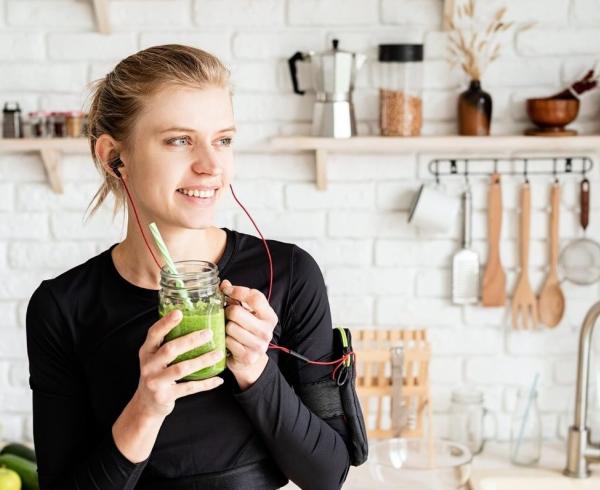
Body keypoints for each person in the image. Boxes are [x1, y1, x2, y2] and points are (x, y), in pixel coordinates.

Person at [25, 44, 352, 490]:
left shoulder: (290, 274)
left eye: (223, 140)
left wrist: (257, 372)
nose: (211, 166)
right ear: (112, 156)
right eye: (179, 140)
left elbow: (329, 475)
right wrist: (146, 408)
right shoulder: (62, 307)